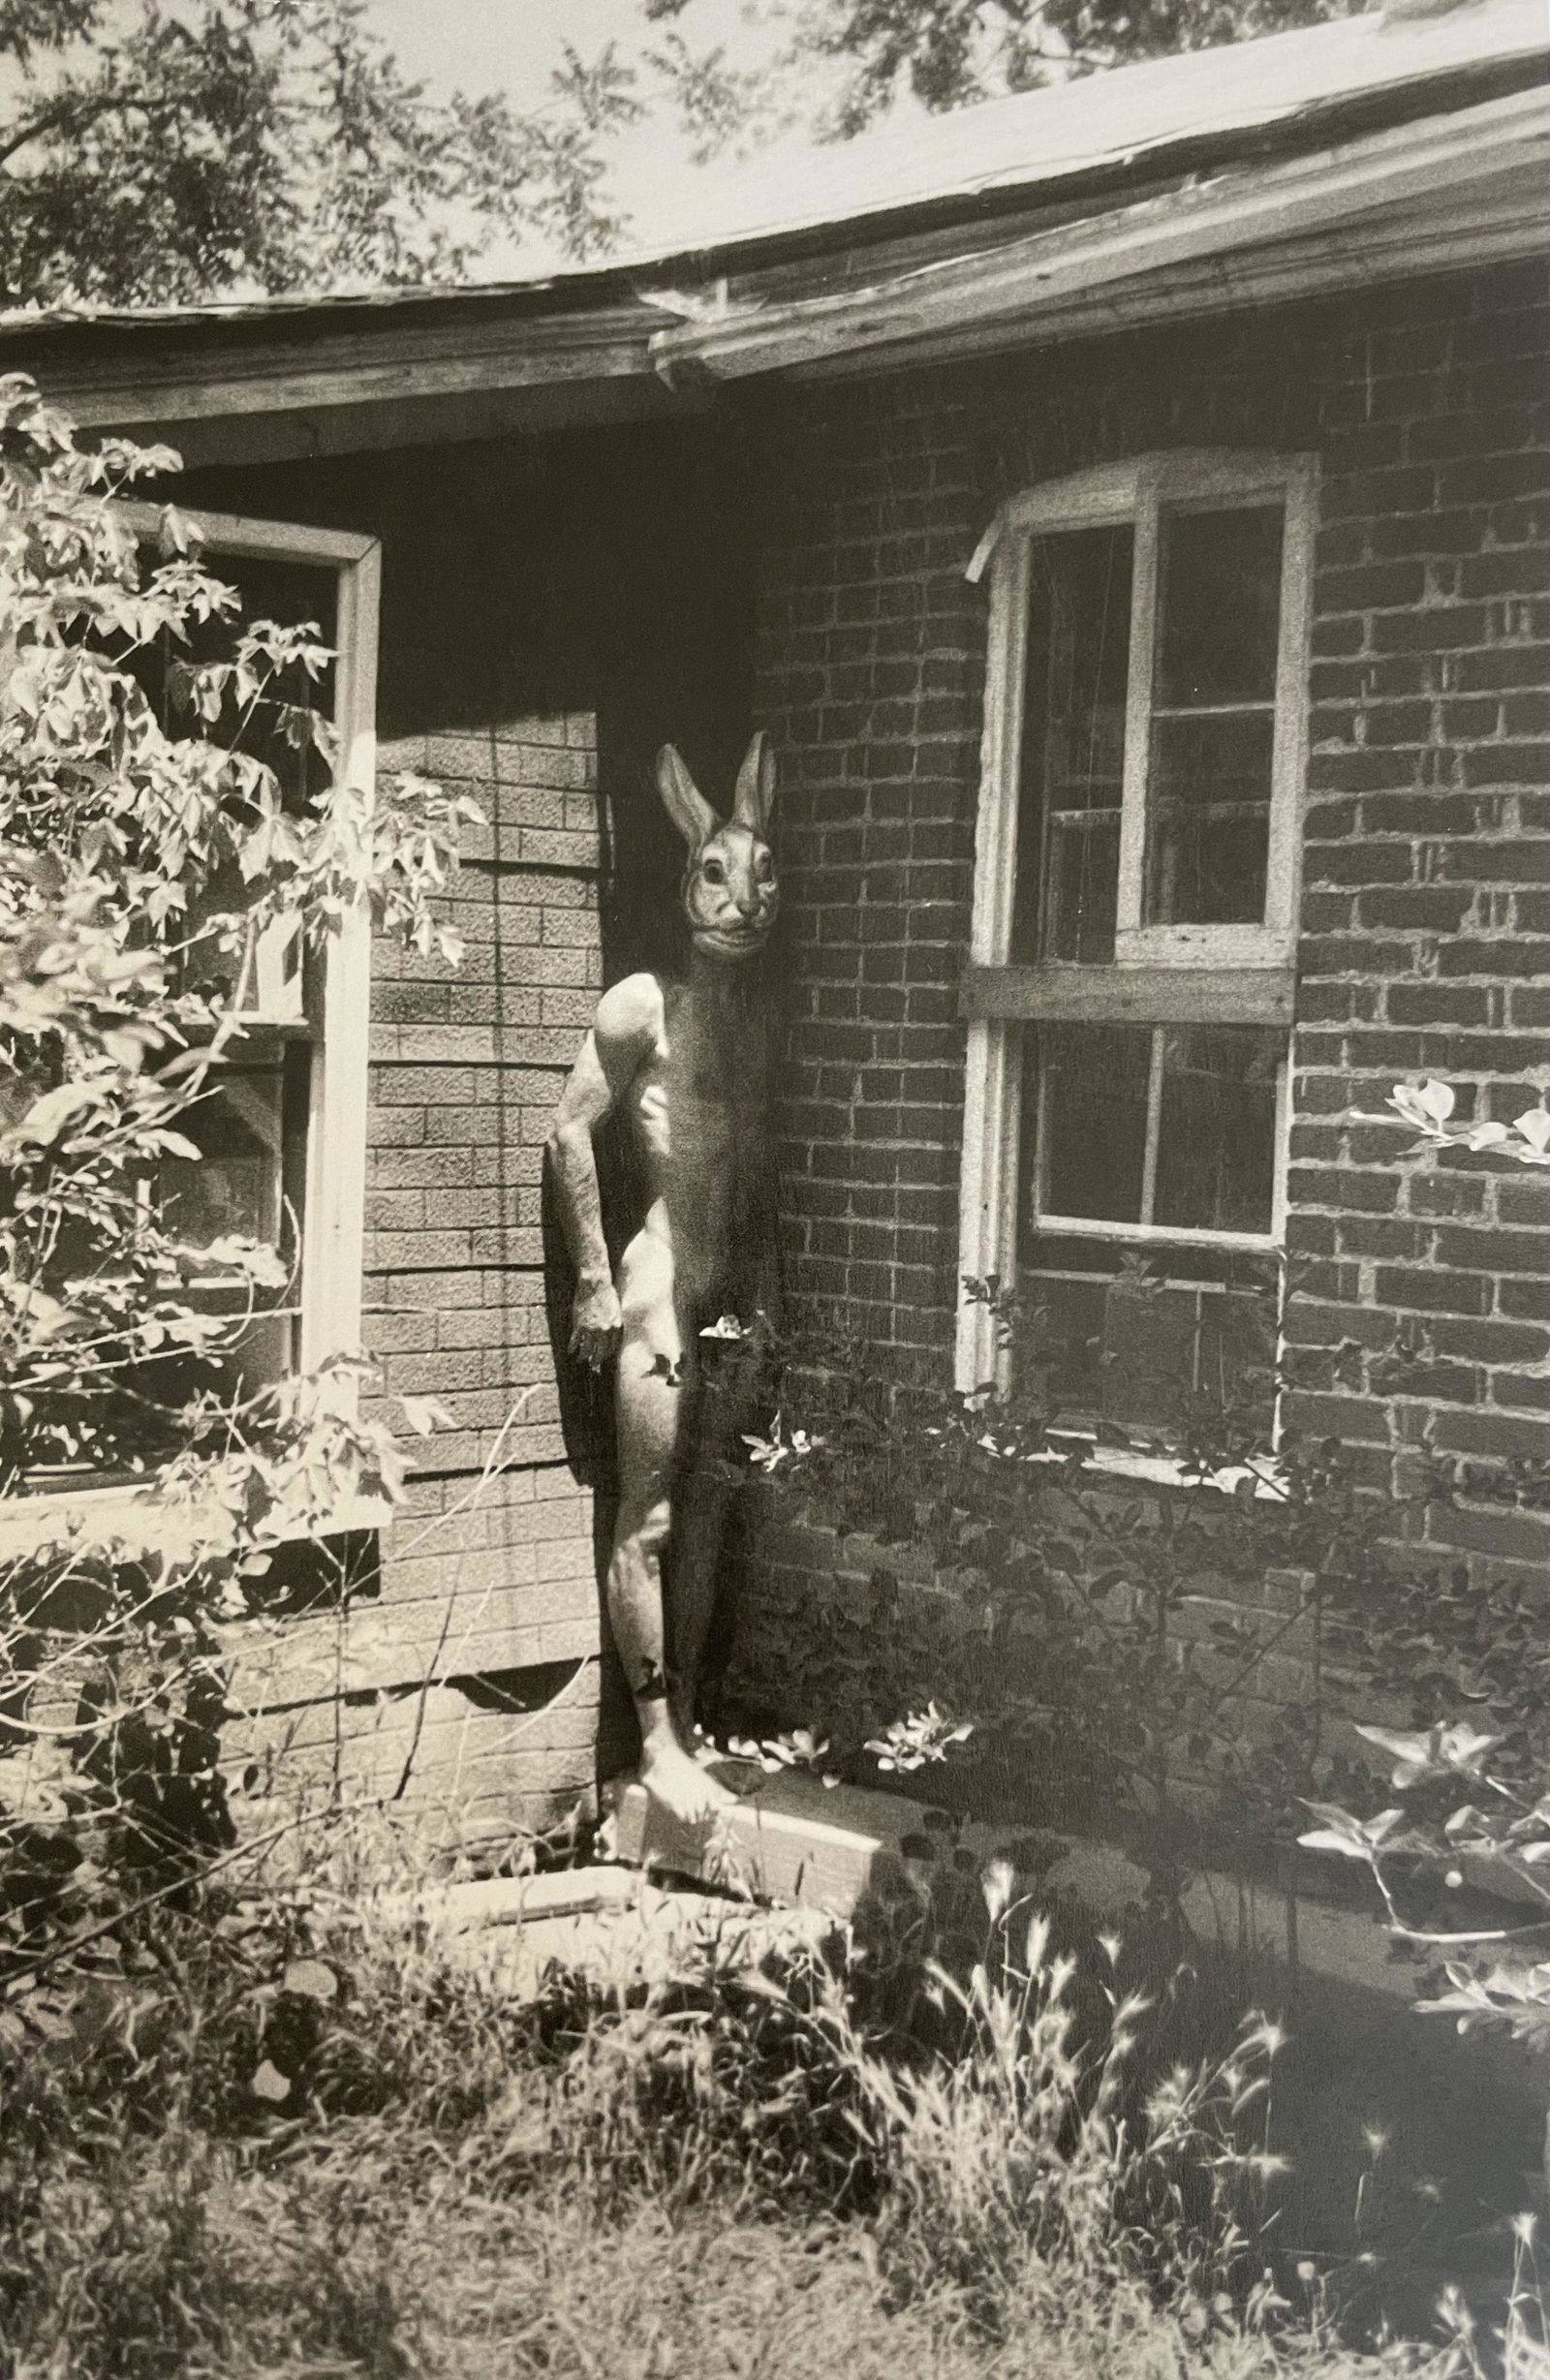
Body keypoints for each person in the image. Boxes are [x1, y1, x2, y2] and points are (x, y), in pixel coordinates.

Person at [544, 732, 779, 1825]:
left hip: (736, 1296)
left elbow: (758, 1173)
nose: (744, 899)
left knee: (716, 1513)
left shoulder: (758, 1020)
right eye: (718, 875)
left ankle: (687, 1723)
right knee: (648, 1517)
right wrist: (594, 1280)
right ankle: (651, 1743)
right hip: (660, 1288)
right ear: (686, 878)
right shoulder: (646, 1001)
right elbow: (567, 1134)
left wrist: (770, 1289)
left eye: (763, 874)